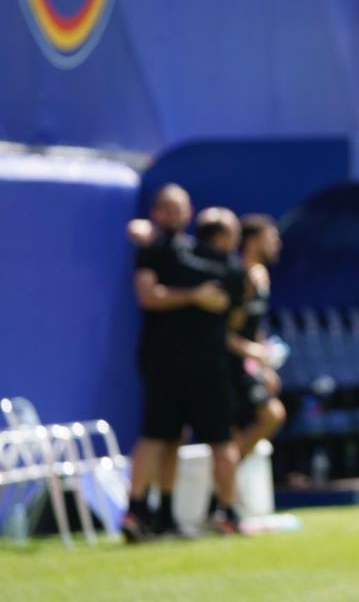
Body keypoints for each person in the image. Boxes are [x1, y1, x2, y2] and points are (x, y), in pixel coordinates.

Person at [123, 185, 229, 541]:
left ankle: (165, 512)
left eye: (178, 209)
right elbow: (148, 296)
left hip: (196, 362)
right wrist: (194, 297)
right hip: (163, 359)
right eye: (165, 209)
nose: (172, 215)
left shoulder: (196, 252)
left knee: (175, 436)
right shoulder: (152, 248)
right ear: (154, 212)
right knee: (155, 433)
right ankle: (135, 510)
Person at [226, 214, 287, 460]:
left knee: (269, 416)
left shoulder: (261, 276)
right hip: (225, 366)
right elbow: (223, 332)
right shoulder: (237, 277)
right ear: (252, 242)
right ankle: (222, 484)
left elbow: (253, 327)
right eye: (271, 238)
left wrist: (264, 367)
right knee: (270, 414)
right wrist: (253, 353)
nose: (277, 243)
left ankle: (225, 484)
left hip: (244, 366)